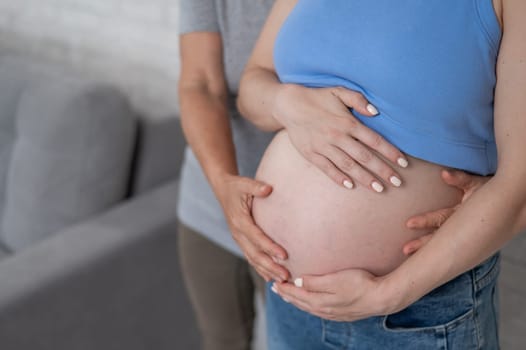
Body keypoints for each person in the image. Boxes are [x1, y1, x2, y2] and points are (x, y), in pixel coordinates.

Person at [237, 0, 526, 348]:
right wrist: (284, 102)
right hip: (291, 303)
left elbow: (519, 186)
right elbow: (253, 83)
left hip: (417, 312)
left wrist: (388, 294)